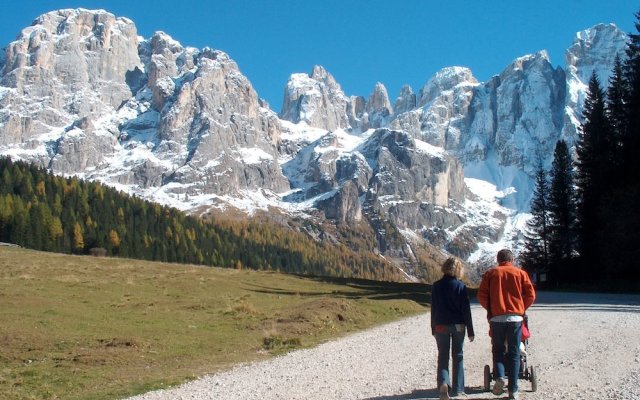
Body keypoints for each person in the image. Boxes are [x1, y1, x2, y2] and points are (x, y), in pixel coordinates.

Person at [478, 249, 536, 400]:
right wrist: (522, 308)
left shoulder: (491, 274)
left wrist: (491, 309)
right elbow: (531, 294)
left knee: (498, 350)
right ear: (512, 259)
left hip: (496, 318)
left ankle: (499, 377)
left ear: (498, 260)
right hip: (516, 318)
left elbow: (481, 295)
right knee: (514, 353)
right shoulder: (520, 273)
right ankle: (513, 390)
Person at [431, 257, 475, 399]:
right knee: (458, 355)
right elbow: (466, 310)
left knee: (443, 355)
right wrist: (470, 330)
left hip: (441, 325)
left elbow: (434, 308)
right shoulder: (460, 286)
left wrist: (433, 327)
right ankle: (458, 389)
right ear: (458, 269)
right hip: (458, 325)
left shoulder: (436, 286)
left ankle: (444, 383)